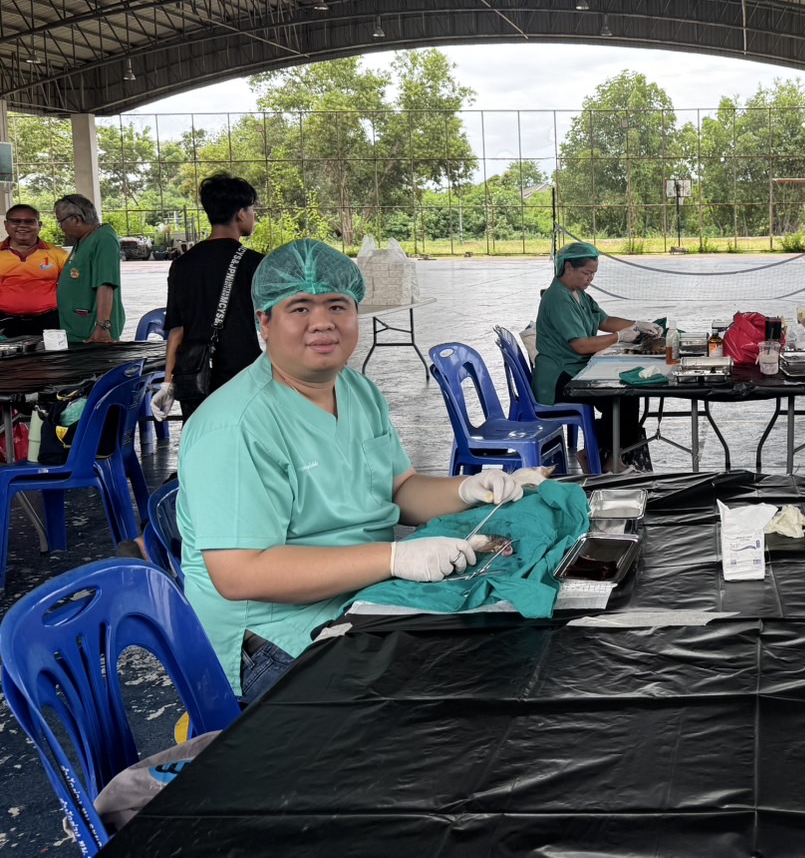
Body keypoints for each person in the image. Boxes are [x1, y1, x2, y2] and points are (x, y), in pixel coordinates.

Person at [177, 240, 525, 703]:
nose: (322, 322)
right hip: (273, 638)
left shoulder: (358, 391)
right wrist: (394, 559)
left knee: (501, 650)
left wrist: (468, 489)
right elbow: (241, 574)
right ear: (265, 321)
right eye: (300, 308)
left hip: (362, 595)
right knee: (439, 704)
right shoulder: (236, 426)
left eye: (337, 306)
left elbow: (400, 488)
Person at [533, 242, 661, 472]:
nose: (590, 278)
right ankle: (607, 457)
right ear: (568, 268)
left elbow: (604, 320)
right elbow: (581, 345)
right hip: (559, 378)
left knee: (627, 394)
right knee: (621, 396)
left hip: (575, 370)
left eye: (593, 273)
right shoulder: (558, 298)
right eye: (586, 273)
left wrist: (638, 325)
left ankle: (606, 455)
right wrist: (619, 336)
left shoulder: (578, 295)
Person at [153, 174, 265, 423]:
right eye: (252, 210)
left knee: (200, 440)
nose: (253, 216)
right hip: (243, 375)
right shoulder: (255, 263)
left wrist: (168, 383)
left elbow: (177, 331)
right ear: (240, 214)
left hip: (194, 377)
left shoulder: (182, 265)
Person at [53, 194, 124, 345]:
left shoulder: (104, 239)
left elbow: (106, 284)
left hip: (94, 332)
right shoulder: (83, 239)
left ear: (76, 219)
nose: (61, 228)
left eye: (60, 222)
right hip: (77, 328)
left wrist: (102, 326)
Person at [0, 203, 65, 336]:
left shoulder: (59, 255)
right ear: (6, 225)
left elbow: (72, 289)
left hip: (50, 322)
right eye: (16, 221)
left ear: (39, 225)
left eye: (29, 221)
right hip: (4, 322)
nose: (22, 226)